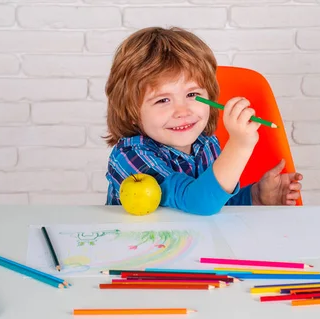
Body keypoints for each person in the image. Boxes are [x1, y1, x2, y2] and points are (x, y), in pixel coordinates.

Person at [103, 27, 302, 215]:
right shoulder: (131, 155)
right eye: (163, 100)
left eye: (192, 94)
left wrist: (256, 196)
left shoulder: (206, 144)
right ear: (131, 111)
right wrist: (239, 145)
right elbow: (198, 202)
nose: (182, 111)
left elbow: (216, 204)